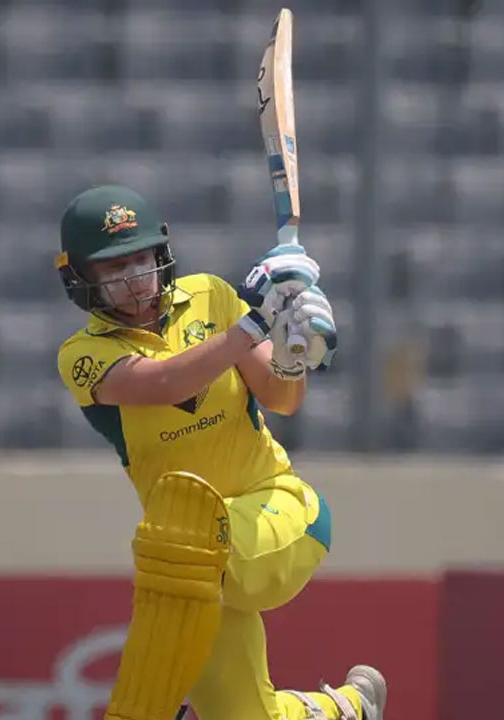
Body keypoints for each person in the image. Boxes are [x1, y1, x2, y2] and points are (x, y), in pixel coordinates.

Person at [53, 184, 386, 720]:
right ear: (81, 279)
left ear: (161, 255)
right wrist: (254, 325)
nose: (134, 279)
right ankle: (344, 710)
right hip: (192, 572)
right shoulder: (83, 356)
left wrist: (294, 354)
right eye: (114, 268)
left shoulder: (210, 295)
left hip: (278, 512)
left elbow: (282, 398)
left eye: (141, 260)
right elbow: (164, 383)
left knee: (185, 545)